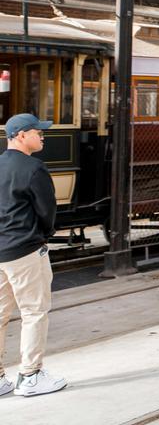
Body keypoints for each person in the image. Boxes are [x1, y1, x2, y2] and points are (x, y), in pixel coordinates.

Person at [0, 114, 65, 398]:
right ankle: (30, 375)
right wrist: (43, 236)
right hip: (25, 250)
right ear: (22, 135)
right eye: (38, 132)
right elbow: (47, 212)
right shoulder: (33, 168)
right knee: (34, 312)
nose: (42, 137)